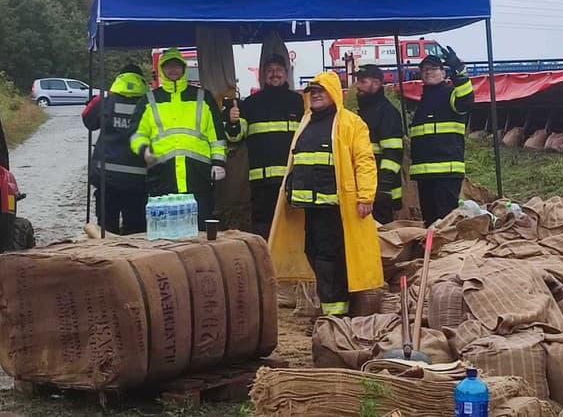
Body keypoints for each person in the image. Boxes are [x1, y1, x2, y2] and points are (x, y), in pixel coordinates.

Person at [268, 71, 383, 318]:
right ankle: (330, 307)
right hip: (309, 207)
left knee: (330, 260)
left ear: (333, 93)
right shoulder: (307, 122)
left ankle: (335, 315)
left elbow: (364, 161)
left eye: (321, 91)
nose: (316, 95)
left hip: (335, 207)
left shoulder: (350, 123)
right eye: (312, 92)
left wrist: (365, 196)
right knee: (314, 254)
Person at [129, 48, 227, 230]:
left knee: (201, 232)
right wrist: (143, 150)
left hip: (198, 176)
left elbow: (217, 135)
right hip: (162, 177)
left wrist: (218, 162)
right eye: (168, 66)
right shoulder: (149, 100)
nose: (172, 70)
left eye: (176, 66)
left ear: (183, 69)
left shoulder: (202, 97)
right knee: (167, 233)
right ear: (161, 70)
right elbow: (136, 134)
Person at [225, 54, 303, 238]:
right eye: (270, 71)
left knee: (293, 225)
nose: (274, 74)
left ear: (286, 74)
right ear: (263, 75)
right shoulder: (251, 103)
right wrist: (233, 122)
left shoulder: (298, 102)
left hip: (292, 178)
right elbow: (235, 138)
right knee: (263, 228)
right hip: (261, 182)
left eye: (278, 70)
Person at [409, 46, 474, 226]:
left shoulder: (451, 94)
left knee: (444, 221)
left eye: (432, 69)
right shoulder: (424, 99)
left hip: (446, 172)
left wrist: (459, 72)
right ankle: (432, 251)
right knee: (430, 221)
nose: (427, 72)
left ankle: (445, 251)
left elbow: (466, 100)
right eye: (424, 69)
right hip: (425, 174)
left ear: (443, 72)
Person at [82, 65, 149, 234]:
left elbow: (88, 121)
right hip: (138, 180)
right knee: (136, 231)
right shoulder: (150, 102)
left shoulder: (105, 100)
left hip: (106, 178)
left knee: (106, 229)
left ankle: (108, 259)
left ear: (119, 79)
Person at [355, 64, 404, 225]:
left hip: (381, 193)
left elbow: (393, 155)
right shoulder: (365, 111)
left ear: (376, 83)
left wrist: (382, 187)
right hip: (366, 190)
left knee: (382, 241)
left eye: (363, 81)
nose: (358, 86)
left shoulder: (387, 113)